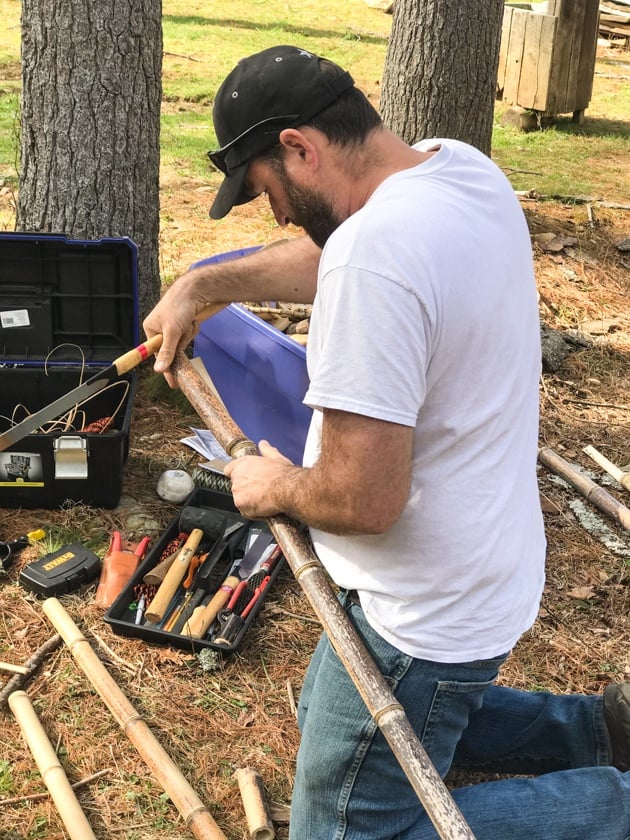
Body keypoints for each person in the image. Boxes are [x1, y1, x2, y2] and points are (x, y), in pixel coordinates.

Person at [143, 45, 630, 840]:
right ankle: (599, 733)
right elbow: (336, 247)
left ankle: (613, 807)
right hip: (485, 567)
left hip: (425, 612)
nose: (275, 216)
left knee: (346, 833)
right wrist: (205, 284)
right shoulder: (458, 171)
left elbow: (362, 499)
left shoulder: (374, 258)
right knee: (322, 705)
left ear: (299, 145)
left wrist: (272, 486)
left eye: (269, 190)